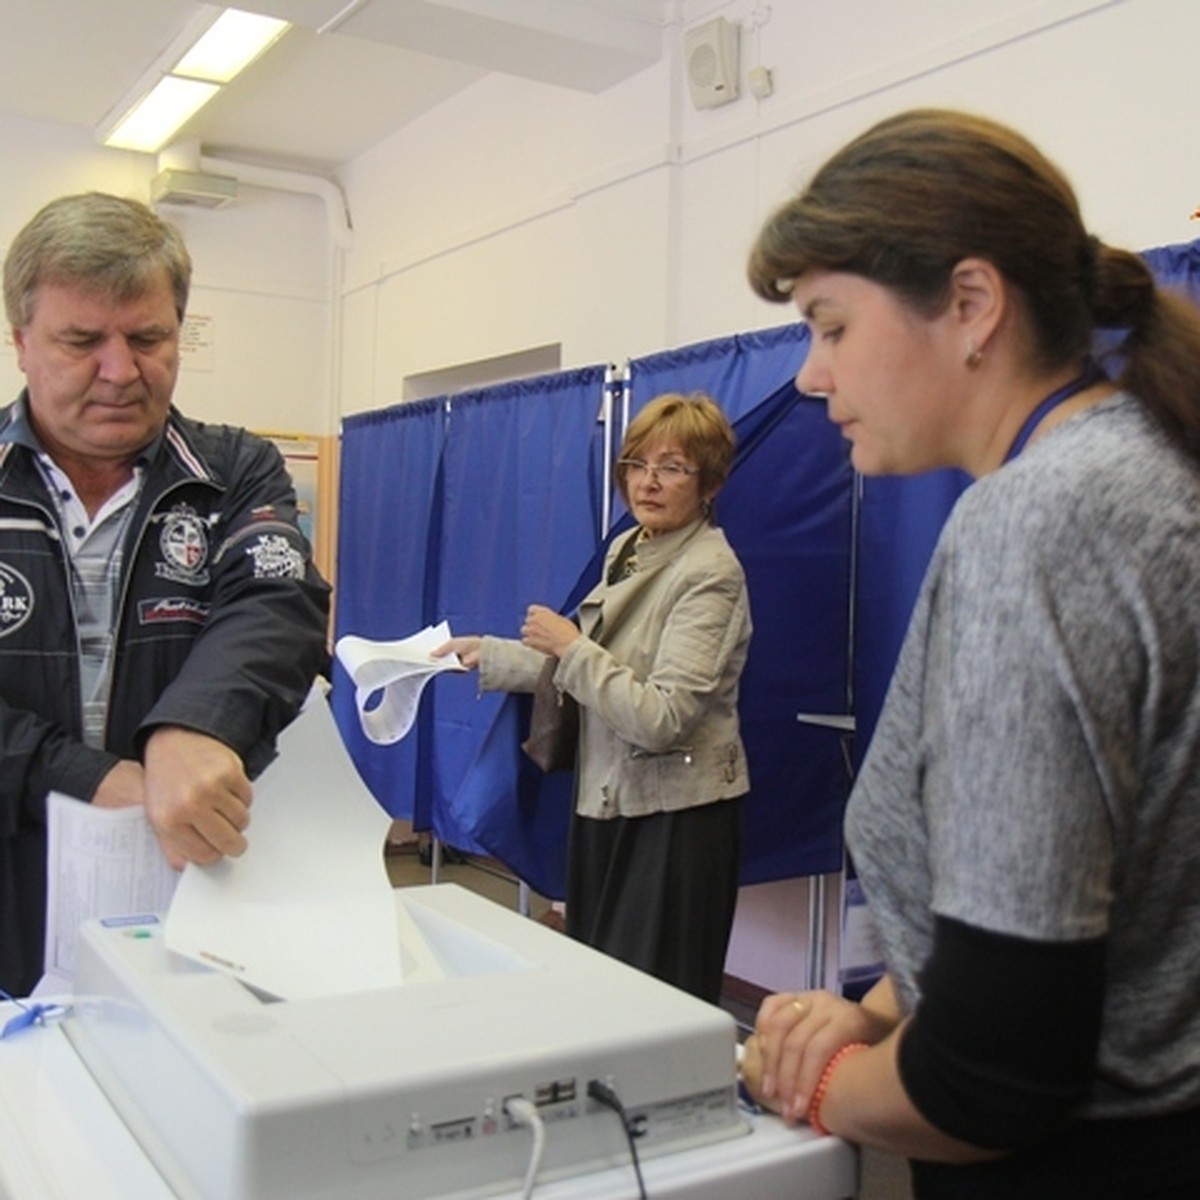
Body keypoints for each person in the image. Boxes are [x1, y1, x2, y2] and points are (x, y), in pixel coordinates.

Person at [737, 108, 1200, 1198]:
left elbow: (994, 1080)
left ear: (972, 305)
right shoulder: (1148, 467)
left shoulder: (1041, 525)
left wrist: (798, 1078)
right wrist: (884, 1012)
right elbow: (1085, 879)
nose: (810, 376)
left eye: (832, 326)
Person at [0, 192, 331, 997]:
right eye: (81, 342)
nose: (121, 371)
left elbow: (275, 601)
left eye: (149, 338)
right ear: (20, 342)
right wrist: (84, 776)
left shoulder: (235, 471)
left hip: (193, 902)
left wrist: (193, 729)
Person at [436, 392, 751, 1004]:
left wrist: (571, 646)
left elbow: (661, 718)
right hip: (609, 799)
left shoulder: (711, 572)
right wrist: (489, 655)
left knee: (654, 1001)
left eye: (672, 467)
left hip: (675, 820)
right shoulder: (630, 547)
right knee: (603, 987)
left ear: (709, 483)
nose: (648, 482)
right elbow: (600, 669)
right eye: (636, 464)